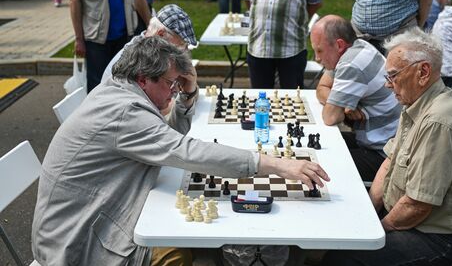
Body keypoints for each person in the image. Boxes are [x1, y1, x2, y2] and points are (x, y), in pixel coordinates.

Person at [32, 36, 330, 266]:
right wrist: (275, 165)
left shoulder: (117, 91)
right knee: (178, 251)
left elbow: (165, 140)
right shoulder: (124, 113)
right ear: (142, 79)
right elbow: (183, 150)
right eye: (171, 84)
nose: (174, 91)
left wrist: (186, 94)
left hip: (100, 209)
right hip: (78, 240)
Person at [322, 28, 452, 266]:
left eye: (393, 76)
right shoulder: (415, 103)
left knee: (342, 258)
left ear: (423, 72)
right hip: (413, 223)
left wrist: (377, 230)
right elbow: (389, 163)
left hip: (440, 239)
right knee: (339, 238)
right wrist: (368, 211)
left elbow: (418, 205)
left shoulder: (438, 121)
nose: (388, 85)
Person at [311, 15, 401, 181]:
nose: (316, 58)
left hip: (383, 154)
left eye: (319, 50)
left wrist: (340, 106)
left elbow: (330, 117)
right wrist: (344, 103)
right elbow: (321, 89)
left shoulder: (351, 64)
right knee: (315, 148)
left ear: (339, 45)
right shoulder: (356, 48)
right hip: (376, 140)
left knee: (318, 165)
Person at [101, 3, 197, 83]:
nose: (184, 51)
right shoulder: (137, 60)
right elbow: (164, 105)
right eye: (180, 45)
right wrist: (188, 92)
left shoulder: (153, 52)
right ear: (161, 34)